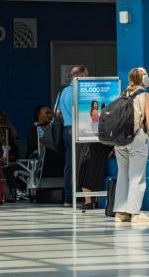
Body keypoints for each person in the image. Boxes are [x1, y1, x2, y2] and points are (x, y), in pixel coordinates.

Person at [113, 67, 149, 223]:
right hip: (136, 138)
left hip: (120, 140)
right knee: (137, 176)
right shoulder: (145, 96)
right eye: (146, 73)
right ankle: (135, 213)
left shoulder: (122, 94)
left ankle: (120, 212)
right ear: (143, 78)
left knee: (122, 174)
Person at [57, 65, 89, 206]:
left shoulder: (63, 91)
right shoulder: (80, 91)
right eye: (86, 76)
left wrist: (67, 119)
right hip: (80, 130)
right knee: (82, 163)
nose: (87, 79)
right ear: (80, 76)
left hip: (66, 130)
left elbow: (57, 112)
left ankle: (69, 197)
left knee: (70, 164)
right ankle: (81, 195)